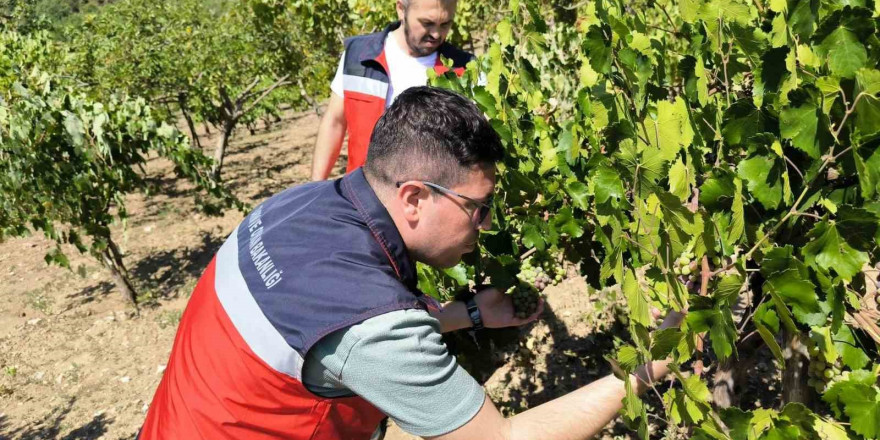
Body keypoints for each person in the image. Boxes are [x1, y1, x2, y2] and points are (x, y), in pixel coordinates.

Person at [139, 87, 684, 440]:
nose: (487, 225)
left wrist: (466, 314)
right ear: (415, 198)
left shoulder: (295, 207)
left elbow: (326, 325)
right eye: (478, 208)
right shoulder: (371, 325)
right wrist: (653, 365)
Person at [310, 0, 473, 181]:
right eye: (427, 23)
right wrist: (314, 188)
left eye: (445, 24)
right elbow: (334, 122)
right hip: (362, 193)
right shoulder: (359, 55)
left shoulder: (464, 70)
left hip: (428, 200)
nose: (436, 34)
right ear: (401, 10)